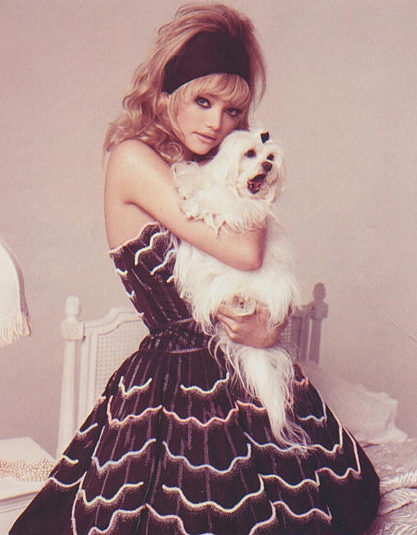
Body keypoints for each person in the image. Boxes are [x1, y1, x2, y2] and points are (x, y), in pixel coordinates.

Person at [10, 4, 380, 535]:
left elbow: (254, 277)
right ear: (167, 93)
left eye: (233, 112)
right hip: (172, 387)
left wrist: (270, 326)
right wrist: (246, 172)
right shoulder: (132, 159)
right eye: (203, 101)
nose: (216, 123)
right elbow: (246, 252)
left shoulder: (213, 169)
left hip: (246, 376)